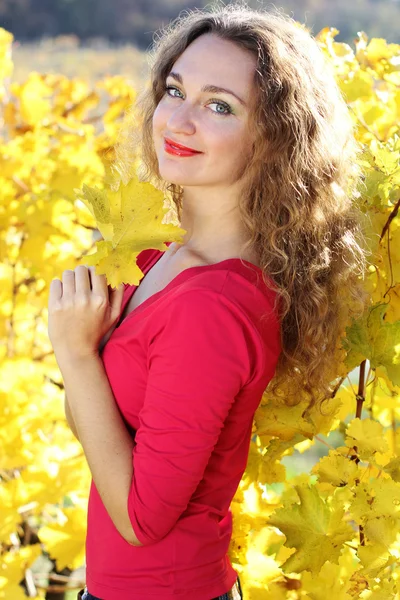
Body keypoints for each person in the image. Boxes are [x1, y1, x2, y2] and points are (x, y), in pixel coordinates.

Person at [61, 2, 370, 598]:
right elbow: (90, 423)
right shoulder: (159, 261)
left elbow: (142, 518)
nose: (178, 120)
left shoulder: (214, 306)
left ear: (274, 138)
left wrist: (76, 356)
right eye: (175, 90)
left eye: (219, 105)